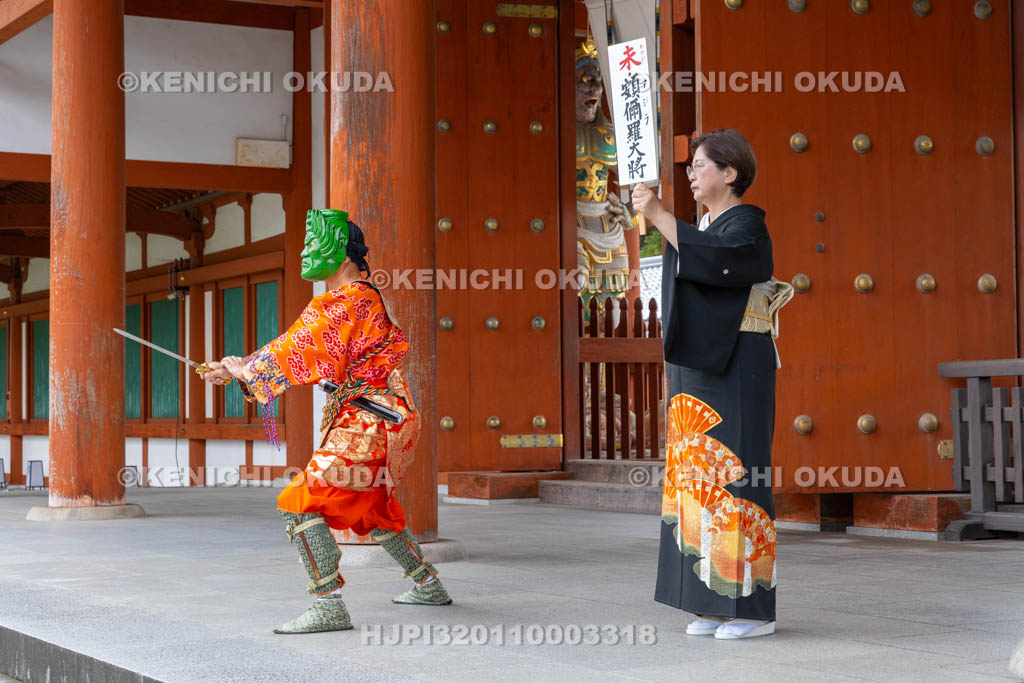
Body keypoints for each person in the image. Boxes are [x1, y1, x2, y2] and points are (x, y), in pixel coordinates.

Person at [201, 208, 452, 635]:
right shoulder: (355, 298)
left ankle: (327, 603)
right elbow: (303, 344)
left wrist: (246, 368)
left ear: (341, 251)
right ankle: (427, 583)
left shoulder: (352, 297)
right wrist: (240, 368)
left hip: (371, 420)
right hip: (383, 416)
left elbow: (301, 344)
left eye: (311, 243)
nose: (303, 252)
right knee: (375, 507)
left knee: (298, 501)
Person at [633, 129, 790, 640]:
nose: (691, 174)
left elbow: (726, 263)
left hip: (739, 361)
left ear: (730, 172)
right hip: (699, 365)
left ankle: (750, 609)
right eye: (690, 165)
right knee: (694, 477)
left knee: (737, 474)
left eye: (701, 165)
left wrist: (659, 216)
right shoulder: (703, 225)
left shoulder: (748, 222)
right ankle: (709, 602)